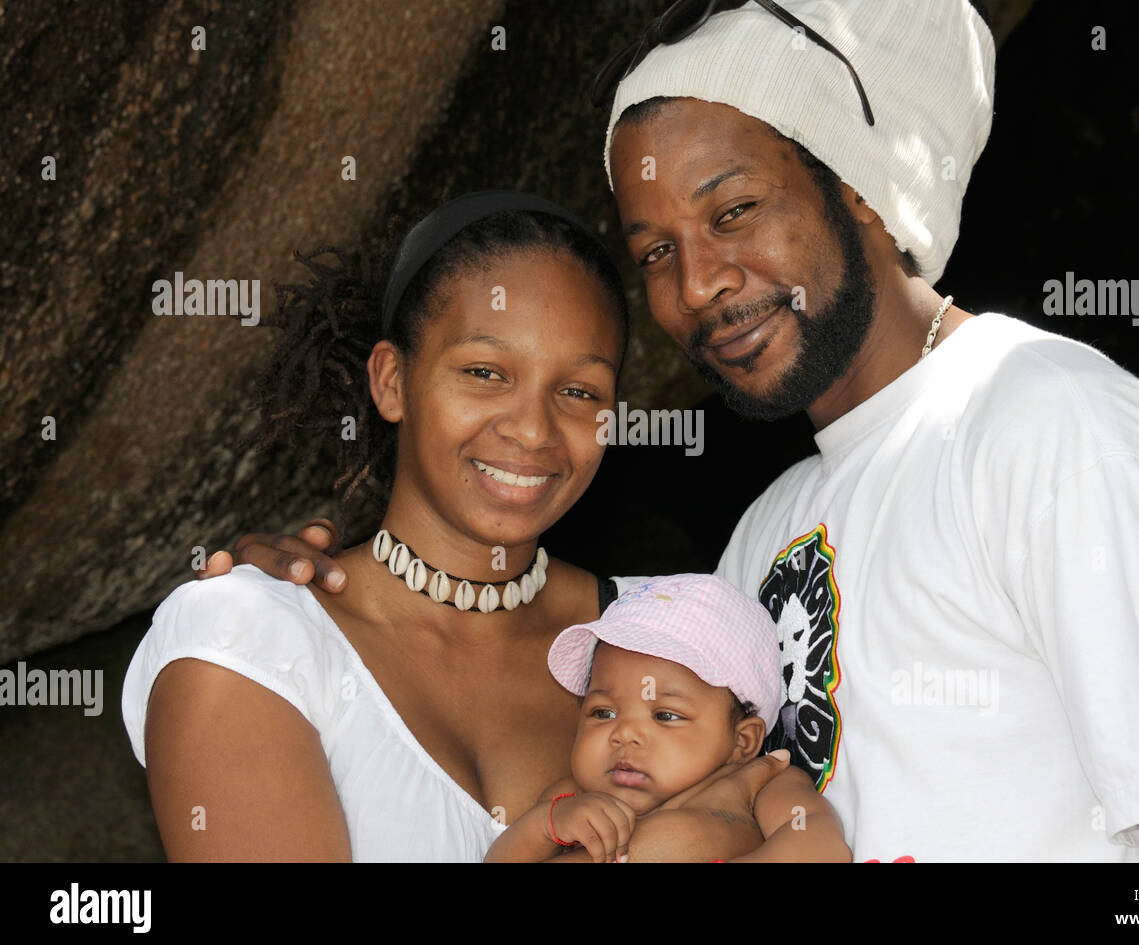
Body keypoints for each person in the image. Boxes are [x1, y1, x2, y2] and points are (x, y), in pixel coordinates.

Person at [210, 0, 1139, 861]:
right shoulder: (769, 528)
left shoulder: (1045, 421)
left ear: (862, 190)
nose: (698, 287)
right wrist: (311, 586)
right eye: (653, 251)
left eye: (733, 211)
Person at [122, 191, 789, 862]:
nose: (532, 428)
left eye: (579, 391)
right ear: (391, 380)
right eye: (483, 372)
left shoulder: (674, 639)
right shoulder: (250, 636)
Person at [485, 574, 851, 862]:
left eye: (665, 715)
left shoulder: (763, 787)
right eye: (603, 712)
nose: (625, 732)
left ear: (742, 742)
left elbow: (819, 845)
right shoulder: (572, 797)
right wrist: (547, 826)